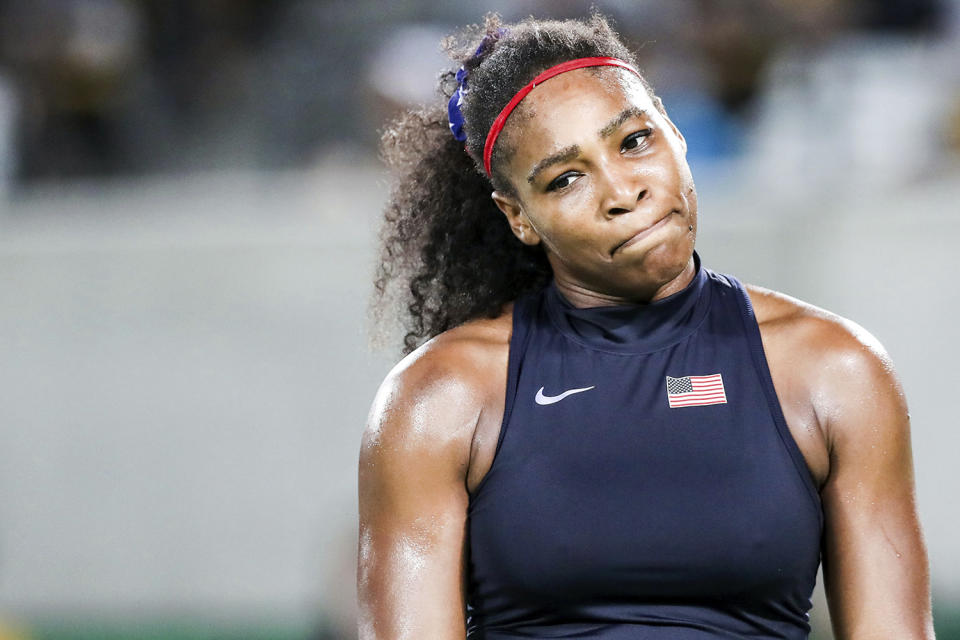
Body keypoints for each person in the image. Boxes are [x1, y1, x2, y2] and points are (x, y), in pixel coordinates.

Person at [357, 13, 934, 640]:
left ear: (676, 133)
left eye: (634, 141)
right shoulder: (438, 398)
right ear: (518, 216)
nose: (622, 191)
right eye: (566, 178)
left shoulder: (836, 370)